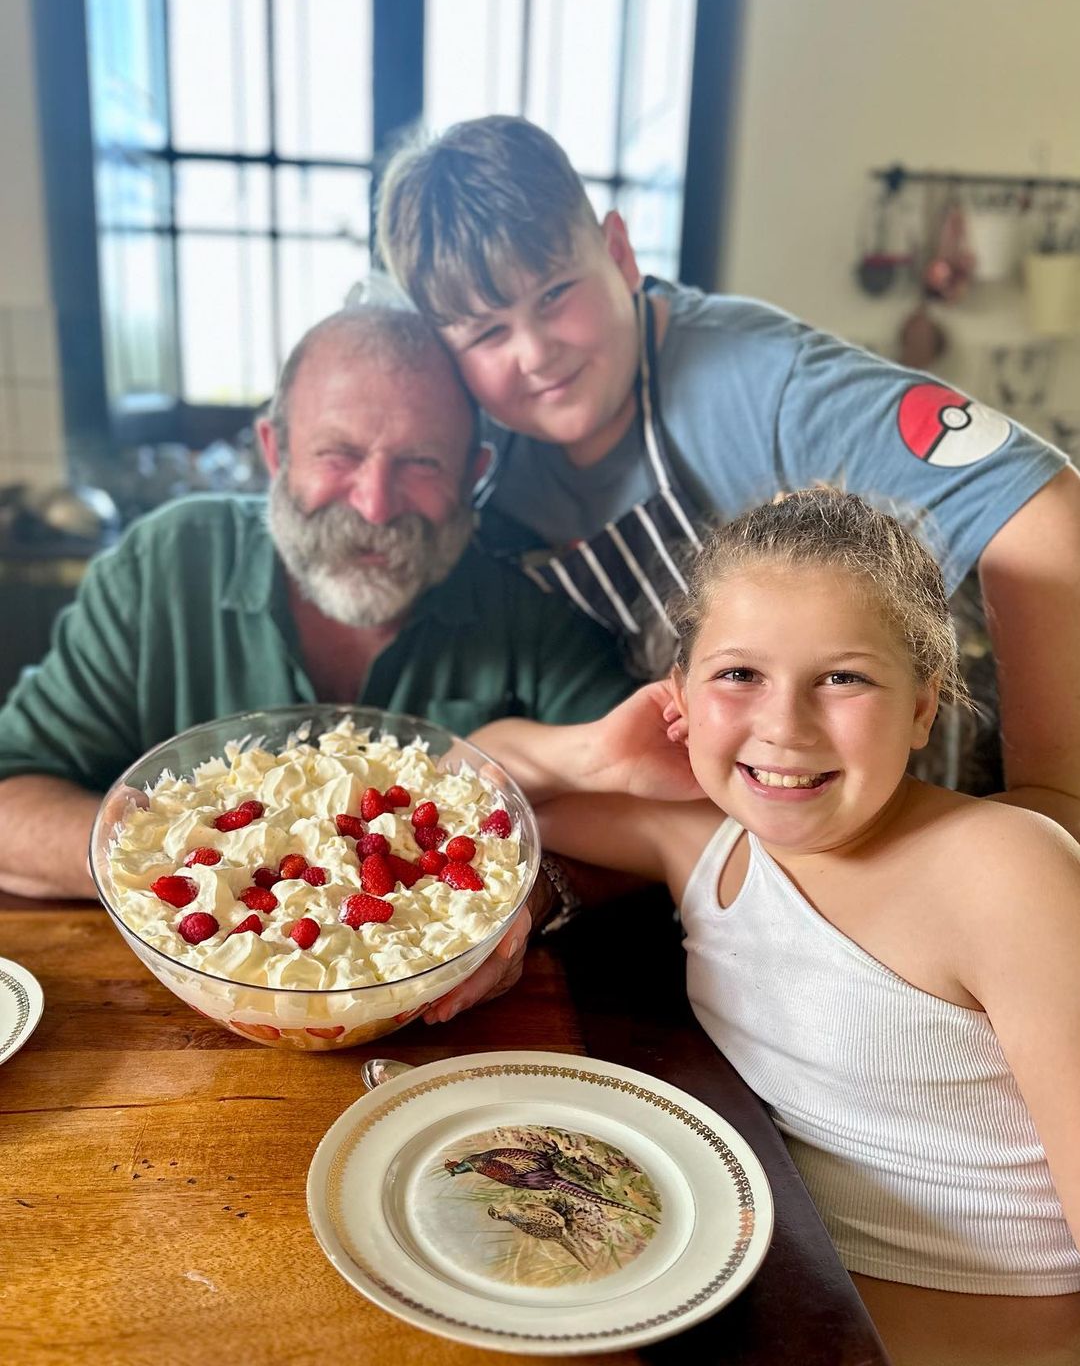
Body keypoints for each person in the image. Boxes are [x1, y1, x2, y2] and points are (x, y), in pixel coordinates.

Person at [470, 490, 1080, 1358]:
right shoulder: (707, 844)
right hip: (765, 1312)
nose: (784, 726)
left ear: (921, 707)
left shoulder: (1003, 870)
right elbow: (467, 777)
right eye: (739, 676)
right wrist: (596, 754)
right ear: (679, 695)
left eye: (844, 678)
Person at [376, 115, 1080, 842]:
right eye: (487, 333)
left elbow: (1045, 504)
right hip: (730, 829)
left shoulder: (759, 380)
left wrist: (1052, 799)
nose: (534, 353)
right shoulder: (483, 460)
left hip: (932, 793)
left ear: (618, 253)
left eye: (555, 294)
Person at [0, 305, 631, 901]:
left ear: (473, 474)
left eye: (421, 462)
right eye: (340, 455)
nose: (375, 505)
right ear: (276, 451)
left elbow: (640, 815)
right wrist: (163, 870)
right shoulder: (164, 563)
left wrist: (532, 900)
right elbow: (11, 793)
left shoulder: (531, 596)